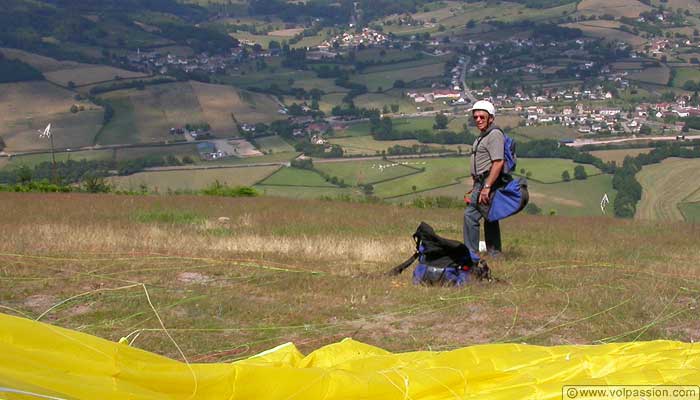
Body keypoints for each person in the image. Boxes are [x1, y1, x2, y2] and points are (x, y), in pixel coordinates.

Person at [464, 100, 504, 264]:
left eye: (482, 117)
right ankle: (495, 255)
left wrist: (486, 187)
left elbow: (498, 162)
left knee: (470, 216)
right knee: (490, 217)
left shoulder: (494, 135)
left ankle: (471, 255)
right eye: (476, 117)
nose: (478, 119)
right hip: (481, 183)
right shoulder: (484, 135)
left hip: (487, 183)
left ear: (491, 118)